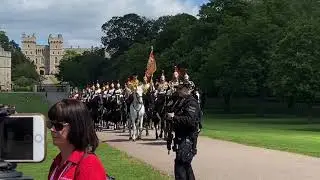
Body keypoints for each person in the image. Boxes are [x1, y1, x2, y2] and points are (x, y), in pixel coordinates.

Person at [47, 99, 107, 180]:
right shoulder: (58, 161)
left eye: (58, 126)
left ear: (76, 127)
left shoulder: (88, 163)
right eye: (51, 124)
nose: (52, 129)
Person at [167, 82, 201, 180]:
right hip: (180, 137)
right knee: (185, 164)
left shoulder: (192, 103)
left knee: (181, 164)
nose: (178, 91)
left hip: (188, 138)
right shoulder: (181, 101)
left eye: (180, 89)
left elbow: (190, 120)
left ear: (187, 89)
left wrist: (175, 117)